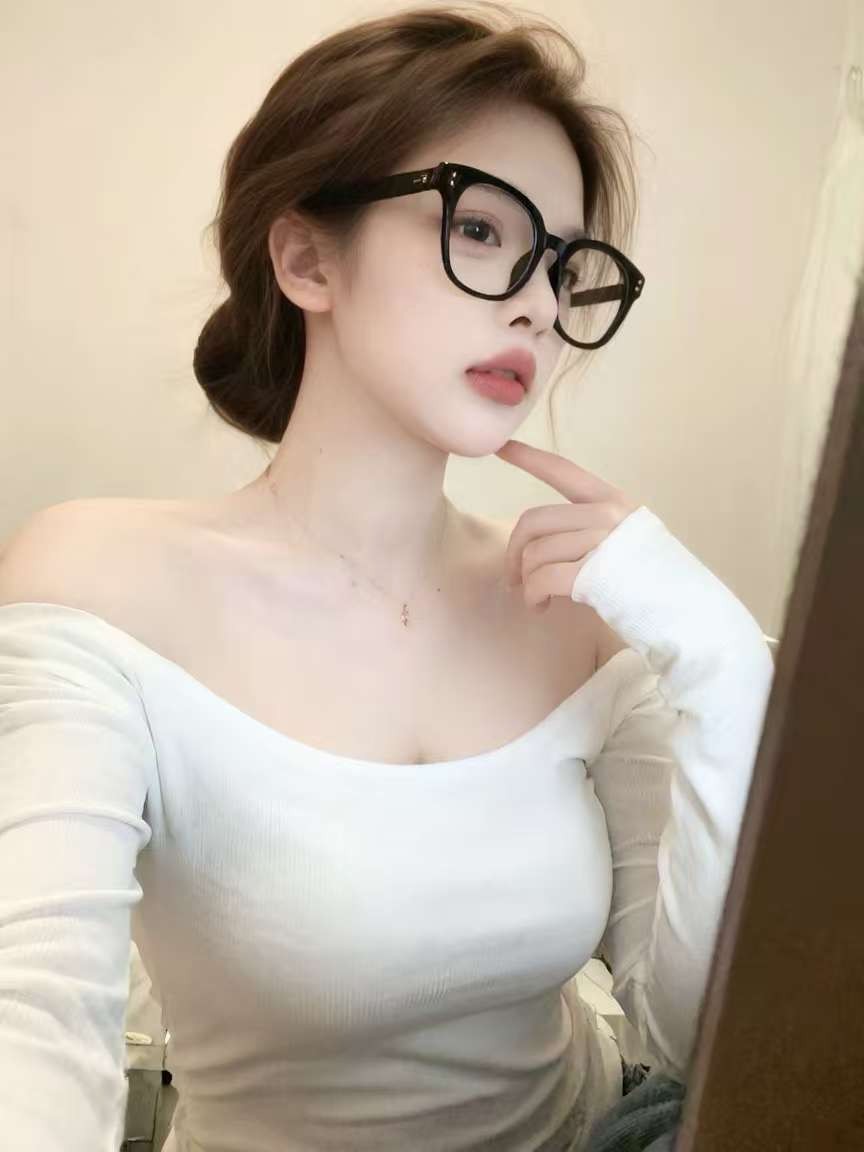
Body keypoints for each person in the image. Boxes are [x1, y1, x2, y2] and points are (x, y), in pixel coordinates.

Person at [0, 4, 774, 1150]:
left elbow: (695, 1032)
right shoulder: (102, 582)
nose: (538, 304)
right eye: (484, 229)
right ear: (307, 258)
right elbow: (32, 1014)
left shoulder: (580, 614)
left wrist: (720, 660)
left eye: (564, 266)